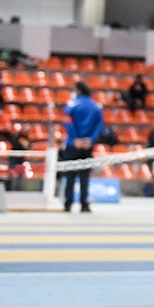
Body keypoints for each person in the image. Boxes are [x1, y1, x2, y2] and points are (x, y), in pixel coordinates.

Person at [60, 80, 104, 213]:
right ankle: (84, 204)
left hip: (72, 145)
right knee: (85, 176)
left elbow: (68, 123)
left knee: (70, 175)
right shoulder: (96, 107)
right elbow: (99, 126)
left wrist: (75, 139)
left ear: (78, 90)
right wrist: (90, 140)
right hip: (88, 146)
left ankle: (68, 204)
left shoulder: (71, 104)